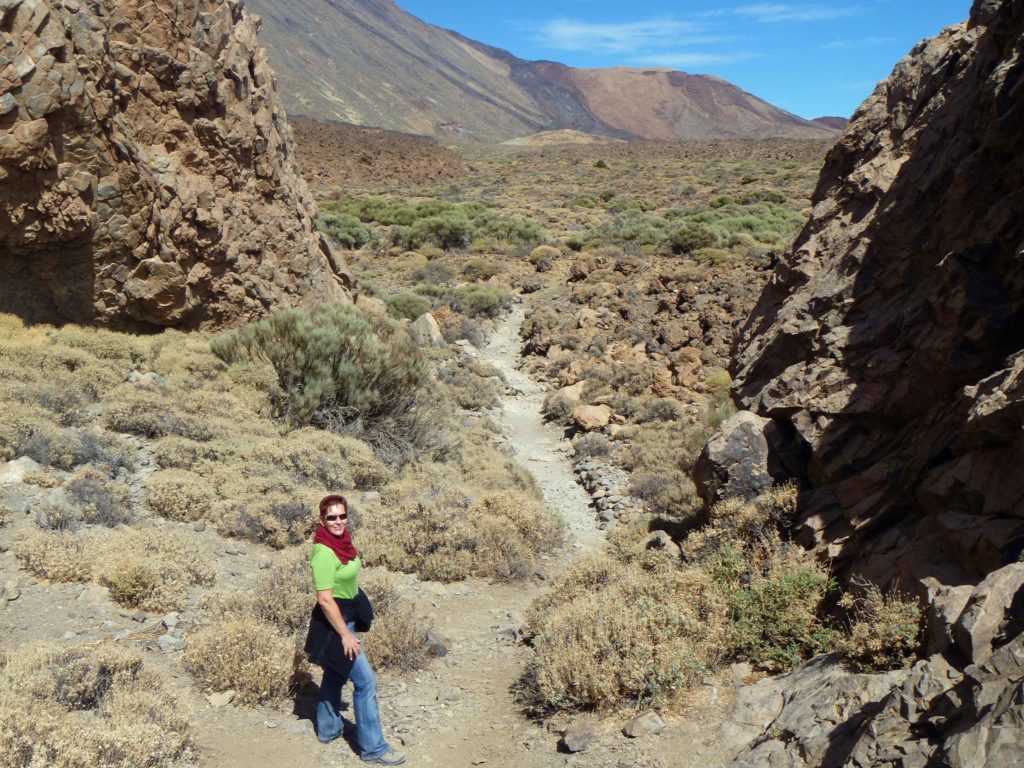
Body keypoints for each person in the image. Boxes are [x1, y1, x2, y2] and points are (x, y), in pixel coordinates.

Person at [304, 494, 407, 765]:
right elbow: (324, 599)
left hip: (345, 615)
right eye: (331, 517)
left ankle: (328, 729)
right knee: (365, 682)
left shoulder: (342, 543)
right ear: (321, 520)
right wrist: (346, 635)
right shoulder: (324, 553)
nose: (338, 521)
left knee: (335, 674)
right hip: (335, 624)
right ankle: (374, 749)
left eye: (342, 515)